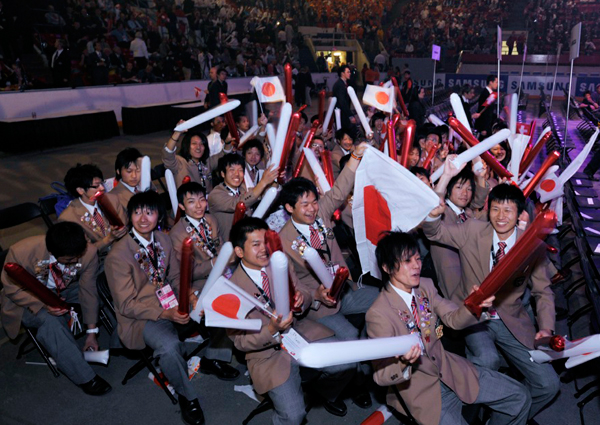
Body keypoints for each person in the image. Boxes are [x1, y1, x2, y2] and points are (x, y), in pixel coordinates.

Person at [422, 184, 560, 419]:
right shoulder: (472, 230)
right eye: (495, 209)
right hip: (474, 317)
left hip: (512, 320)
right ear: (488, 210)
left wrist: (546, 328)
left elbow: (543, 292)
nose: (501, 216)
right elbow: (435, 233)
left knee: (549, 384)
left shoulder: (532, 246)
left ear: (519, 214)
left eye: (508, 210)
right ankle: (470, 413)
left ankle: (507, 417)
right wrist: (433, 216)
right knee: (487, 359)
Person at [366, 231, 531, 425]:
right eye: (407, 261)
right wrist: (403, 362)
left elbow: (452, 318)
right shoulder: (379, 314)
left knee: (519, 397)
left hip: (452, 371)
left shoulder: (425, 286)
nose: (416, 265)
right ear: (387, 267)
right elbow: (381, 376)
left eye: (418, 258)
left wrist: (474, 306)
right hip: (422, 393)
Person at [227, 217, 356, 421]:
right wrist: (271, 329)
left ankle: (324, 392)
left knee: (346, 363)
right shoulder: (230, 291)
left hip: (298, 331)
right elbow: (240, 342)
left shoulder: (280, 262)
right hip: (268, 354)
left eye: (266, 242)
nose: (264, 249)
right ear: (239, 251)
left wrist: (300, 300)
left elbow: (303, 291)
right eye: (256, 244)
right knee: (293, 415)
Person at [105, 191, 205, 425]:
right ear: (129, 216)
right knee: (169, 347)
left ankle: (214, 358)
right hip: (141, 316)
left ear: (159, 216)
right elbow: (126, 305)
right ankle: (186, 396)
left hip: (169, 300)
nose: (143, 219)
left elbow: (175, 276)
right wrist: (165, 313)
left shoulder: (162, 238)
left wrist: (190, 295)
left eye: (149, 212)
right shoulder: (118, 256)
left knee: (213, 303)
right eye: (137, 212)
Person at [0, 222, 111, 396]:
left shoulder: (88, 252)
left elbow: (88, 291)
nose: (76, 261)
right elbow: (12, 289)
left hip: (65, 288)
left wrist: (92, 332)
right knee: (50, 321)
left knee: (101, 285)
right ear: (52, 252)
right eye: (69, 260)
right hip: (26, 298)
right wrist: (44, 304)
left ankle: (123, 336)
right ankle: (86, 378)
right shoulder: (22, 252)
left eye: (78, 256)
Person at [169, 182, 240, 381]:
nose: (199, 205)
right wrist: (215, 263)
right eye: (192, 202)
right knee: (226, 307)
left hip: (222, 274)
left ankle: (249, 346)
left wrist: (227, 259)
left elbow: (221, 246)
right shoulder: (177, 234)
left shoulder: (210, 220)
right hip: (197, 285)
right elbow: (186, 274)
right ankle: (212, 359)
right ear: (182, 206)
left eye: (202, 200)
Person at [59, 164, 127, 265]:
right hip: (99, 262)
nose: (102, 188)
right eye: (96, 186)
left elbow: (125, 227)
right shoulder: (69, 218)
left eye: (102, 183)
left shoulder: (112, 199)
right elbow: (84, 253)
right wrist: (109, 238)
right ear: (80, 190)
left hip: (124, 251)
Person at [207, 153, 278, 242]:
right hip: (228, 244)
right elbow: (238, 204)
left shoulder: (243, 188)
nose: (237, 174)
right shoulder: (216, 194)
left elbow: (262, 195)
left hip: (247, 240)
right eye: (232, 170)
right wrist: (263, 182)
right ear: (222, 174)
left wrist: (275, 180)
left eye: (240, 170)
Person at [163, 122, 218, 190]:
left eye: (202, 144)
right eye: (194, 143)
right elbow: (168, 152)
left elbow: (223, 154)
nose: (198, 147)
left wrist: (228, 142)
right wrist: (177, 132)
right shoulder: (179, 162)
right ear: (187, 145)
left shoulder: (207, 161)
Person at [106, 147, 143, 214]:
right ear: (118, 171)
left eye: (138, 170)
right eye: (129, 171)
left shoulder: (146, 184)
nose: (134, 175)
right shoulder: (113, 197)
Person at [332, 65, 357, 137]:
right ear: (342, 73)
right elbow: (342, 102)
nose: (350, 73)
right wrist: (350, 115)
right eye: (348, 72)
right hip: (342, 114)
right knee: (345, 133)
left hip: (343, 113)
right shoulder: (340, 85)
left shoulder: (344, 83)